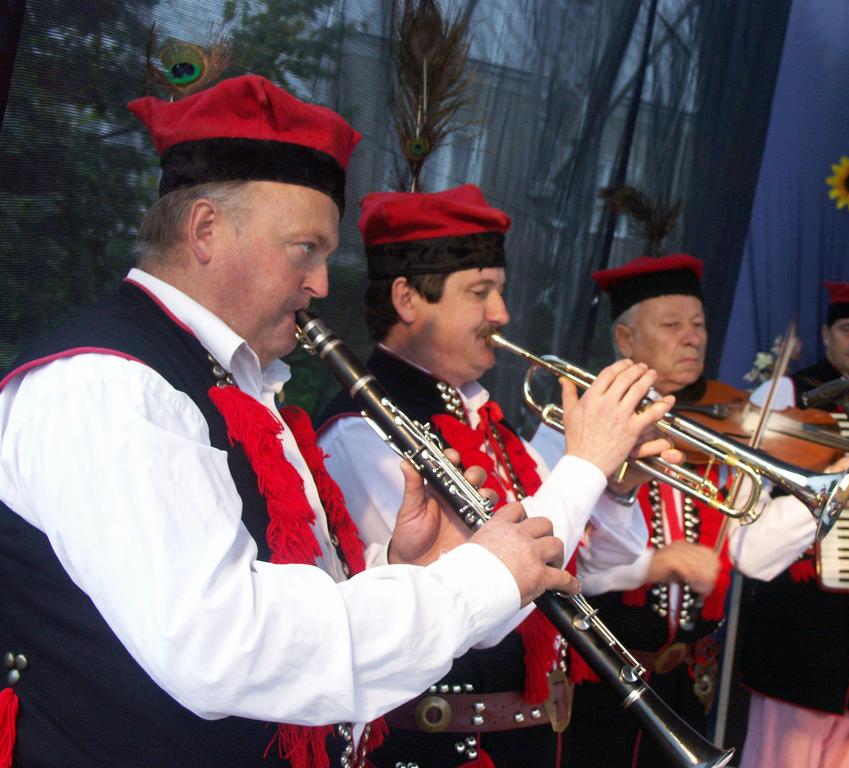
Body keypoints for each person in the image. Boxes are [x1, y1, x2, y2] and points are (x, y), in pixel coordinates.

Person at [0, 75, 582, 768]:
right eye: (305, 248)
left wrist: (403, 569)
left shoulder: (232, 380)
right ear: (206, 230)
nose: (321, 284)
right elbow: (222, 645)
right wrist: (474, 583)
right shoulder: (106, 387)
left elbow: (277, 593)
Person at [316, 185, 679, 767]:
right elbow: (490, 603)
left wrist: (616, 485)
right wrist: (587, 463)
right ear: (407, 299)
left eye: (500, 292)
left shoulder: (489, 421)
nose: (502, 314)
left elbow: (599, 570)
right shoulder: (360, 435)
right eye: (480, 292)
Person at [531, 253, 840, 768]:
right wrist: (655, 564)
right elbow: (549, 547)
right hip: (598, 677)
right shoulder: (578, 418)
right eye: (672, 326)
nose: (693, 338)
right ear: (625, 339)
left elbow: (751, 552)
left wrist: (829, 490)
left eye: (698, 324)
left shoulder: (718, 425)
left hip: (685, 682)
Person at [738, 280, 849, 768]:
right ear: (826, 334)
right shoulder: (786, 393)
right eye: (847, 329)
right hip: (799, 616)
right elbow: (750, 503)